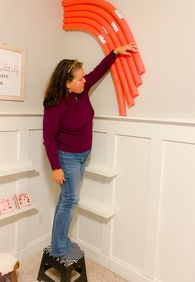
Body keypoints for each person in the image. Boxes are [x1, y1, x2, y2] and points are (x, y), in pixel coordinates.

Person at [43, 43, 137, 264]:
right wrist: (56, 167)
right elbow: (48, 138)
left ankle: (60, 240)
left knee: (66, 199)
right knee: (70, 200)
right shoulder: (56, 105)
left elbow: (98, 71)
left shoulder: (81, 92)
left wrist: (114, 53)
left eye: (83, 77)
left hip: (82, 155)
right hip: (67, 158)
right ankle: (59, 248)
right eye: (79, 78)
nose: (85, 80)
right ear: (67, 84)